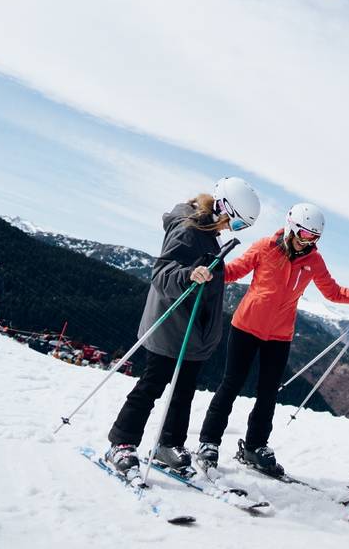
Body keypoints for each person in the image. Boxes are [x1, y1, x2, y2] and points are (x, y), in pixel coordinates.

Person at [194, 203, 349, 477]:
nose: (309, 243)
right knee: (231, 385)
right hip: (246, 327)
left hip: (280, 335)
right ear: (292, 228)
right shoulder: (265, 246)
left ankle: (255, 446)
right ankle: (208, 443)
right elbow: (235, 270)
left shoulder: (313, 261)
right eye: (306, 236)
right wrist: (212, 270)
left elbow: (332, 292)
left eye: (315, 239)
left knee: (268, 394)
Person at [105, 177, 261, 477]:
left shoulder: (208, 231)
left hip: (193, 330)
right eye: (237, 223)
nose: (233, 229)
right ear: (222, 208)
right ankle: (121, 443)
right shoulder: (189, 229)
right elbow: (162, 273)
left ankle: (169, 444)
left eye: (240, 228)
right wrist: (189, 275)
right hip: (172, 324)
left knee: (184, 390)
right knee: (152, 384)